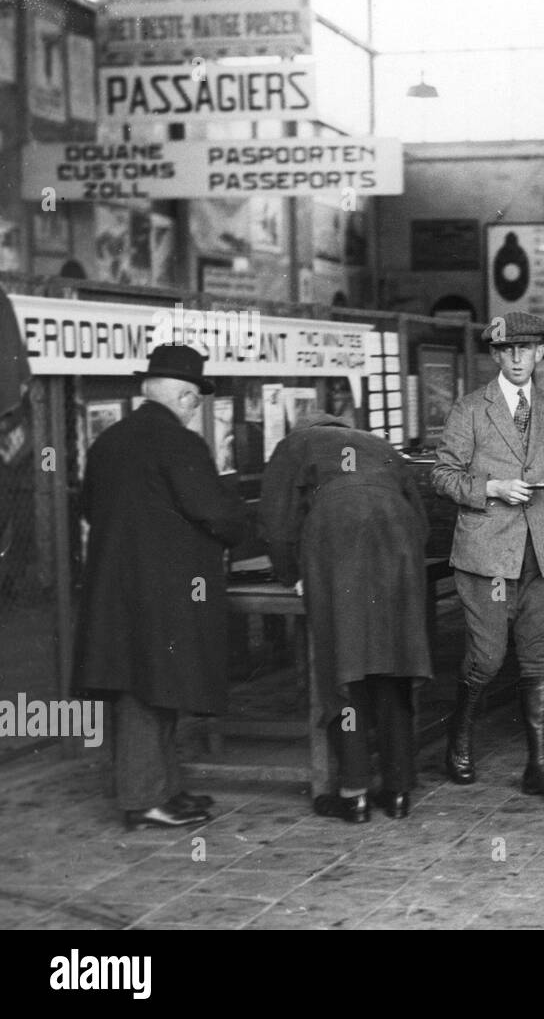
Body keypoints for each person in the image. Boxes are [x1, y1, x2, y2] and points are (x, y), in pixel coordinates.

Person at [73, 345, 249, 829]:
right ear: (186, 397)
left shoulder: (107, 441)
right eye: (194, 401)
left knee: (141, 686)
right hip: (164, 591)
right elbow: (216, 513)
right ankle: (145, 798)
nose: (194, 410)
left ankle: (162, 789)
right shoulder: (180, 443)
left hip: (115, 589)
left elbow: (88, 509)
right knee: (153, 690)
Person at [432, 311, 544, 802]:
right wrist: (492, 488)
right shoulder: (470, 410)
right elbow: (442, 476)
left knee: (537, 659)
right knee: (487, 657)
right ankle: (458, 737)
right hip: (487, 556)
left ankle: (538, 768)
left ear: (541, 353)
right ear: (495, 355)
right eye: (507, 350)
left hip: (543, 554)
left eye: (526, 349)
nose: (518, 358)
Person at [259, 412, 432, 823]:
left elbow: (277, 525)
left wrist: (292, 574)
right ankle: (398, 791)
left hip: (337, 543)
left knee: (346, 667)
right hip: (398, 542)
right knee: (394, 667)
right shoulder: (378, 443)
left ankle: (353, 793)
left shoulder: (295, 444)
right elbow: (420, 521)